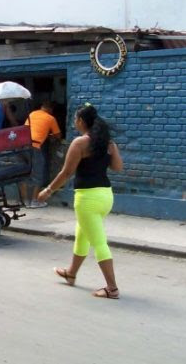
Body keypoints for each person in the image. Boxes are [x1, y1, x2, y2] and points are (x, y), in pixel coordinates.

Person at [38, 104, 123, 300]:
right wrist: (113, 149)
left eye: (76, 119)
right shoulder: (107, 143)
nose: (74, 123)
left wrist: (48, 190)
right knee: (82, 235)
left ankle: (112, 288)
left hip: (87, 199)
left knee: (99, 242)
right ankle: (71, 273)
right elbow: (118, 167)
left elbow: (66, 173)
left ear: (81, 121)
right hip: (105, 196)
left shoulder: (80, 143)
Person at [21, 101, 61, 208]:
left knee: (24, 173)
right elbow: (58, 135)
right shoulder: (50, 118)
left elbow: (25, 130)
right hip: (35, 146)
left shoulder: (32, 114)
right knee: (38, 173)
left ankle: (25, 201)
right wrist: (50, 135)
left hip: (23, 146)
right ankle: (35, 201)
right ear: (50, 110)